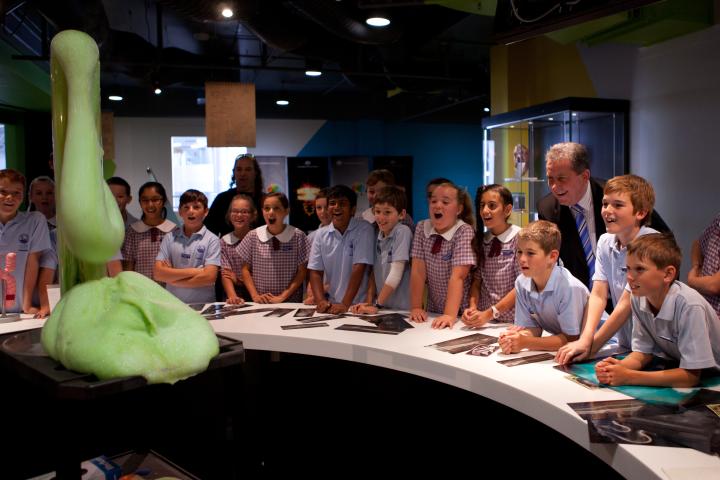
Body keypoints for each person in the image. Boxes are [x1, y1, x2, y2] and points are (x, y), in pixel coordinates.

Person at [556, 175, 658, 364]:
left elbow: (625, 305)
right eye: (605, 204)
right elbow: (598, 294)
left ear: (641, 212)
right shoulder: (605, 241)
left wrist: (591, 346)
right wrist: (586, 339)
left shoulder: (651, 244)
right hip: (626, 342)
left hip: (656, 348)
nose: (607, 211)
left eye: (618, 205)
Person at [537, 142, 669, 288]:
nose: (554, 187)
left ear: (585, 175)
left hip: (632, 290)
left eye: (562, 178)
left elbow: (665, 245)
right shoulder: (547, 208)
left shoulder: (616, 196)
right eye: (550, 179)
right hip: (584, 295)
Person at [595, 233, 720, 388]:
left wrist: (629, 377)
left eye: (639, 269)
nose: (630, 277)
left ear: (668, 274)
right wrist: (619, 368)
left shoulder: (689, 305)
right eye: (628, 268)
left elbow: (691, 377)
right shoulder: (638, 297)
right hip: (681, 369)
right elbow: (642, 353)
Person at [498, 220, 589, 354]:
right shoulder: (521, 283)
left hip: (602, 346)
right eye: (519, 251)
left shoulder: (568, 287)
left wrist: (526, 342)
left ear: (552, 257)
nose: (522, 259)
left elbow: (572, 338)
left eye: (530, 253)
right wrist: (515, 339)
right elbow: (532, 329)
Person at [410, 181, 475, 329]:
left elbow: (458, 276)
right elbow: (418, 271)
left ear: (458, 209)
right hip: (434, 311)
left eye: (445, 202)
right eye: (433, 201)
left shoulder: (464, 231)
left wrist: (449, 314)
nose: (438, 205)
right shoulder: (422, 228)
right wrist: (416, 307)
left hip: (459, 313)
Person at [308, 185, 375, 314]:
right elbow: (315, 271)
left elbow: (359, 268)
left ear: (353, 209)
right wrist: (321, 300)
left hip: (359, 306)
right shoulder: (321, 235)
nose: (337, 207)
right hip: (332, 304)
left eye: (342, 203)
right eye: (332, 203)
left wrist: (345, 304)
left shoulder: (364, 229)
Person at [462, 184, 520, 328]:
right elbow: (477, 281)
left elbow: (522, 285)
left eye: (492, 206)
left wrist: (491, 313)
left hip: (512, 321)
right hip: (484, 321)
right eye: (482, 206)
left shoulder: (520, 238)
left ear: (507, 210)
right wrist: (473, 307)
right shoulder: (481, 240)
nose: (485, 211)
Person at [238, 192, 309, 303]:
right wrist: (255, 296)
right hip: (261, 301)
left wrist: (283, 296)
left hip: (290, 301)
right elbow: (245, 269)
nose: (271, 212)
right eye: (267, 208)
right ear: (262, 211)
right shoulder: (253, 236)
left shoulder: (298, 236)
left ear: (286, 211)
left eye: (276, 208)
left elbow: (302, 271)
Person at [351, 186, 412, 314]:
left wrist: (377, 304)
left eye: (387, 212)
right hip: (384, 306)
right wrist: (370, 302)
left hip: (403, 309)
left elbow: (396, 273)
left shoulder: (402, 232)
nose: (381, 217)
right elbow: (375, 272)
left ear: (401, 214)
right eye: (377, 211)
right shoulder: (378, 235)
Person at [154, 189, 221, 304]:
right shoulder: (170, 237)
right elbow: (158, 274)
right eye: (186, 207)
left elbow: (209, 277)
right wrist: (196, 271)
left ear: (206, 211)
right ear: (180, 211)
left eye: (196, 207)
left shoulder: (212, 240)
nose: (191, 211)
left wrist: (172, 278)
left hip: (204, 306)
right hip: (173, 305)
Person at [0, 169, 51, 314]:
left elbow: (33, 261)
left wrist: (26, 304)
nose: (10, 197)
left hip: (21, 308)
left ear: (24, 196)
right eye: (3, 191)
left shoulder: (35, 221)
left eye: (17, 193)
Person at [121, 182, 176, 282]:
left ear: (163, 201)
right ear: (140, 202)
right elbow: (128, 267)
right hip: (140, 290)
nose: (150, 204)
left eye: (155, 200)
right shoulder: (132, 231)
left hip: (168, 290)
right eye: (145, 200)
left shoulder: (174, 231)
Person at [205, 153, 265, 237]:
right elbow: (209, 232)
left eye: (248, 169)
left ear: (255, 173)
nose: (243, 173)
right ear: (234, 172)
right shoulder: (222, 199)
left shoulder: (265, 201)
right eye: (239, 169)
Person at [220, 194, 256, 304]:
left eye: (244, 212)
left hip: (257, 294)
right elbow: (226, 274)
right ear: (229, 214)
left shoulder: (258, 239)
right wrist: (233, 297)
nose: (239, 215)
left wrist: (239, 280)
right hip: (234, 295)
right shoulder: (224, 241)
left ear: (253, 215)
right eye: (235, 211)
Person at [687, 213, 720, 318]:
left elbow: (714, 286)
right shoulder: (717, 222)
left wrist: (692, 280)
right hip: (704, 314)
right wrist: (696, 267)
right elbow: (697, 244)